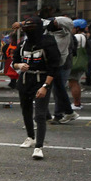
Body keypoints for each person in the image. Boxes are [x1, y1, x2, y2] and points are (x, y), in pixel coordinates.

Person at [12, 16, 62, 160]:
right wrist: (19, 66)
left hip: (42, 80)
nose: (29, 31)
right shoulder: (22, 45)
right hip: (25, 79)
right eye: (26, 29)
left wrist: (45, 86)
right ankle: (30, 137)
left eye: (32, 28)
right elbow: (14, 62)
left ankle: (39, 146)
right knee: (25, 110)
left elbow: (54, 67)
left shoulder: (49, 43)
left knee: (40, 114)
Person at [42, 8, 78, 125]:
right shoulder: (54, 30)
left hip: (60, 64)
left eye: (56, 22)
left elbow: (58, 54)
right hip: (56, 64)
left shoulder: (62, 38)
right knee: (58, 89)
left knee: (57, 90)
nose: (53, 23)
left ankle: (58, 114)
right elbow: (41, 22)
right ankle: (66, 112)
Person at [67, 19, 89, 110]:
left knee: (73, 82)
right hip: (81, 62)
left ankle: (76, 103)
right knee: (74, 82)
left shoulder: (78, 36)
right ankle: (77, 103)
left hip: (75, 62)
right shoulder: (83, 36)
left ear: (78, 28)